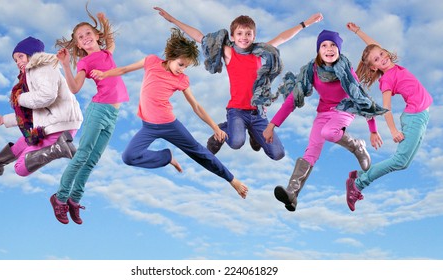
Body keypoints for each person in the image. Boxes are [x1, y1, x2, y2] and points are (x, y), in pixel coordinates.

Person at [90, 28, 248, 199]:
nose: (182, 69)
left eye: (186, 67)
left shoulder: (182, 80)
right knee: (128, 157)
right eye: (181, 64)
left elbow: (196, 105)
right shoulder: (151, 61)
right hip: (148, 126)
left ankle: (232, 180)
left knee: (199, 152)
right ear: (171, 56)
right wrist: (104, 74)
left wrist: (215, 127)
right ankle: (166, 157)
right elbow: (124, 70)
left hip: (169, 125)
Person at [154, 7, 323, 160]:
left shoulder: (260, 52)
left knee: (278, 154)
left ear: (254, 36)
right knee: (235, 142)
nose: (244, 37)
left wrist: (305, 24)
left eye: (248, 34)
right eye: (240, 34)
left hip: (258, 114)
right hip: (237, 111)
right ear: (233, 36)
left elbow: (282, 37)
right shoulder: (228, 53)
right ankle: (223, 129)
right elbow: (200, 37)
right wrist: (173, 20)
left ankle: (254, 133)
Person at [264, 30, 388, 211]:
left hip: (345, 109)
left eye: (333, 46)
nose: (329, 49)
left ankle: (357, 146)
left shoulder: (346, 70)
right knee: (310, 152)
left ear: (338, 49)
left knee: (329, 132)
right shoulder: (311, 70)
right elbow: (292, 99)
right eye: (324, 45)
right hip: (324, 113)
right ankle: (292, 194)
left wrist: (373, 130)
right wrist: (272, 125)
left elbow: (361, 98)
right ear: (318, 50)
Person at [51, 6, 129, 224]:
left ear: (96, 37)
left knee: (92, 160)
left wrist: (105, 23)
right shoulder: (85, 62)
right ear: (77, 44)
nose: (85, 38)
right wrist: (66, 65)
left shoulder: (106, 53)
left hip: (113, 115)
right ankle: (60, 198)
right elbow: (75, 88)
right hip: (98, 111)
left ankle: (74, 200)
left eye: (88, 33)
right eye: (80, 37)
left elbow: (111, 42)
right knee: (82, 155)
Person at [344, 23, 433, 211]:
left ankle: (357, 175)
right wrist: (393, 131)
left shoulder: (393, 66)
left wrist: (358, 31)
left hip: (422, 116)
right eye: (377, 59)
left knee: (404, 163)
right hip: (414, 118)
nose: (382, 58)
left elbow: (375, 47)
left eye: (382, 54)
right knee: (399, 161)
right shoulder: (387, 80)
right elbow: (386, 108)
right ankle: (358, 185)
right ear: (374, 67)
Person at [0, 36, 82, 177]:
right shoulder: (32, 73)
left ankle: (58, 148)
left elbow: (47, 96)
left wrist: (20, 98)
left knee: (20, 169)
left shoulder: (41, 68)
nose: (18, 62)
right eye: (15, 60)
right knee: (21, 143)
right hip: (55, 123)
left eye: (21, 56)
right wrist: (5, 120)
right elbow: (32, 113)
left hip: (58, 126)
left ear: (33, 54)